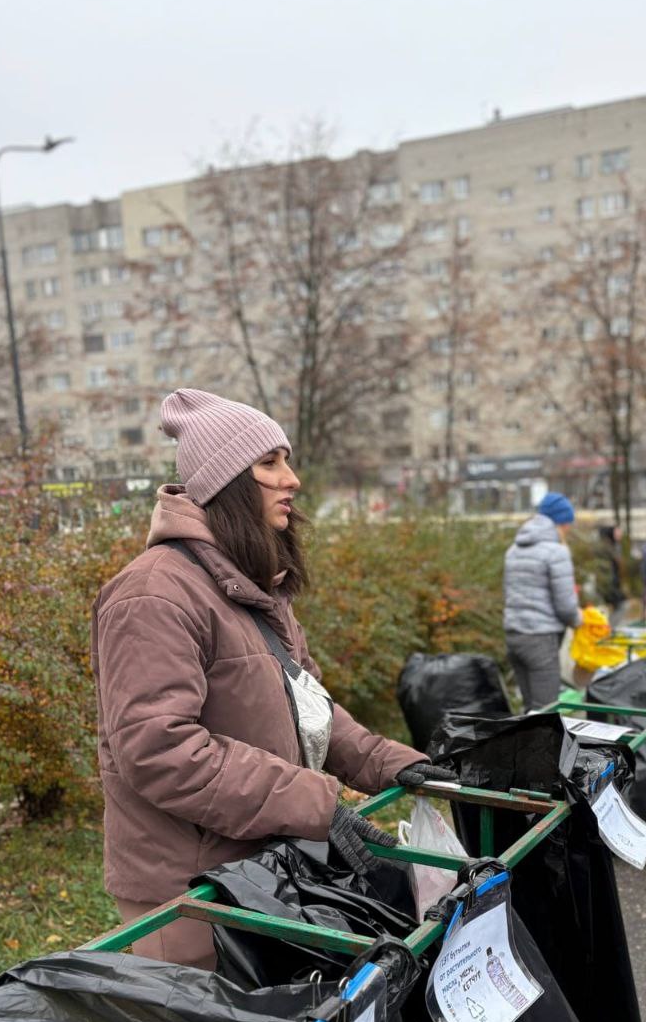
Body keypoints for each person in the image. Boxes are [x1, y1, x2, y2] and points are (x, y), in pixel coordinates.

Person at [91, 388, 451, 969]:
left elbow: (308, 709)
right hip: (190, 893)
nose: (293, 479)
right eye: (270, 463)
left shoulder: (255, 587)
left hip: (261, 870)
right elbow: (159, 750)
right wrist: (314, 802)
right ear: (226, 482)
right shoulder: (153, 593)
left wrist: (390, 762)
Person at [503, 491, 582, 710]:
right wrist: (579, 619)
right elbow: (566, 607)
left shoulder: (513, 549)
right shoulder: (557, 552)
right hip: (541, 639)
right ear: (560, 522)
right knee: (546, 712)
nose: (568, 529)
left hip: (514, 636)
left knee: (530, 709)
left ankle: (525, 746)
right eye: (567, 524)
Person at [594, 524, 627, 621]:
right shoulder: (605, 549)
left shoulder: (615, 547)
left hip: (613, 585)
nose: (620, 534)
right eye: (617, 532)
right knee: (616, 609)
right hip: (608, 587)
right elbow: (605, 571)